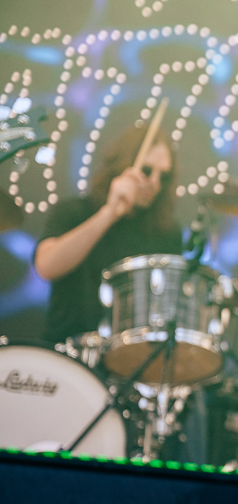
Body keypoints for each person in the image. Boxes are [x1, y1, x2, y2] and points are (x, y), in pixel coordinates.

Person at [34, 124, 182, 343]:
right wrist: (109, 213)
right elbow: (46, 266)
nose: (155, 183)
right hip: (66, 351)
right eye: (147, 171)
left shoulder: (167, 233)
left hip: (132, 355)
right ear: (123, 166)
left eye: (164, 176)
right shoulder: (74, 211)